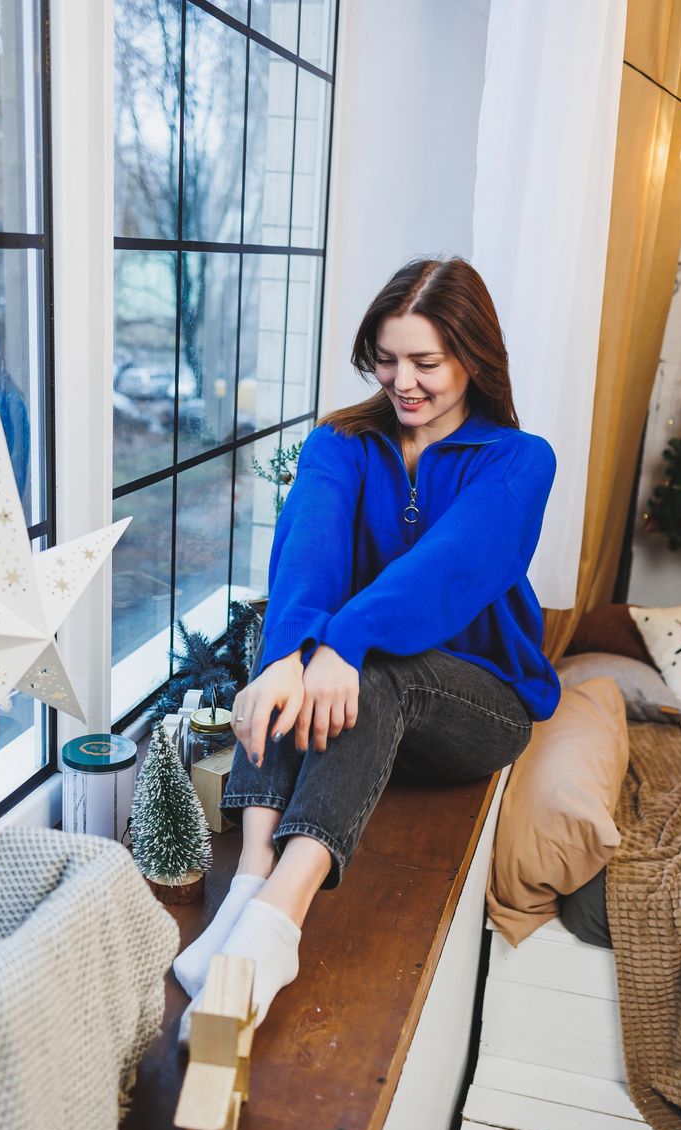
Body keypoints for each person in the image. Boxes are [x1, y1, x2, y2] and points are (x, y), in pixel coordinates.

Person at [174, 256, 560, 1038]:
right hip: (347, 709)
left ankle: (278, 923)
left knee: (363, 662)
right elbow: (309, 548)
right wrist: (290, 652)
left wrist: (342, 640)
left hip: (477, 704)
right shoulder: (341, 443)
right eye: (387, 359)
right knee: (286, 642)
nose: (402, 381)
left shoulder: (518, 461)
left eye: (426, 361)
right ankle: (250, 883)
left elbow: (449, 570)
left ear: (474, 358)